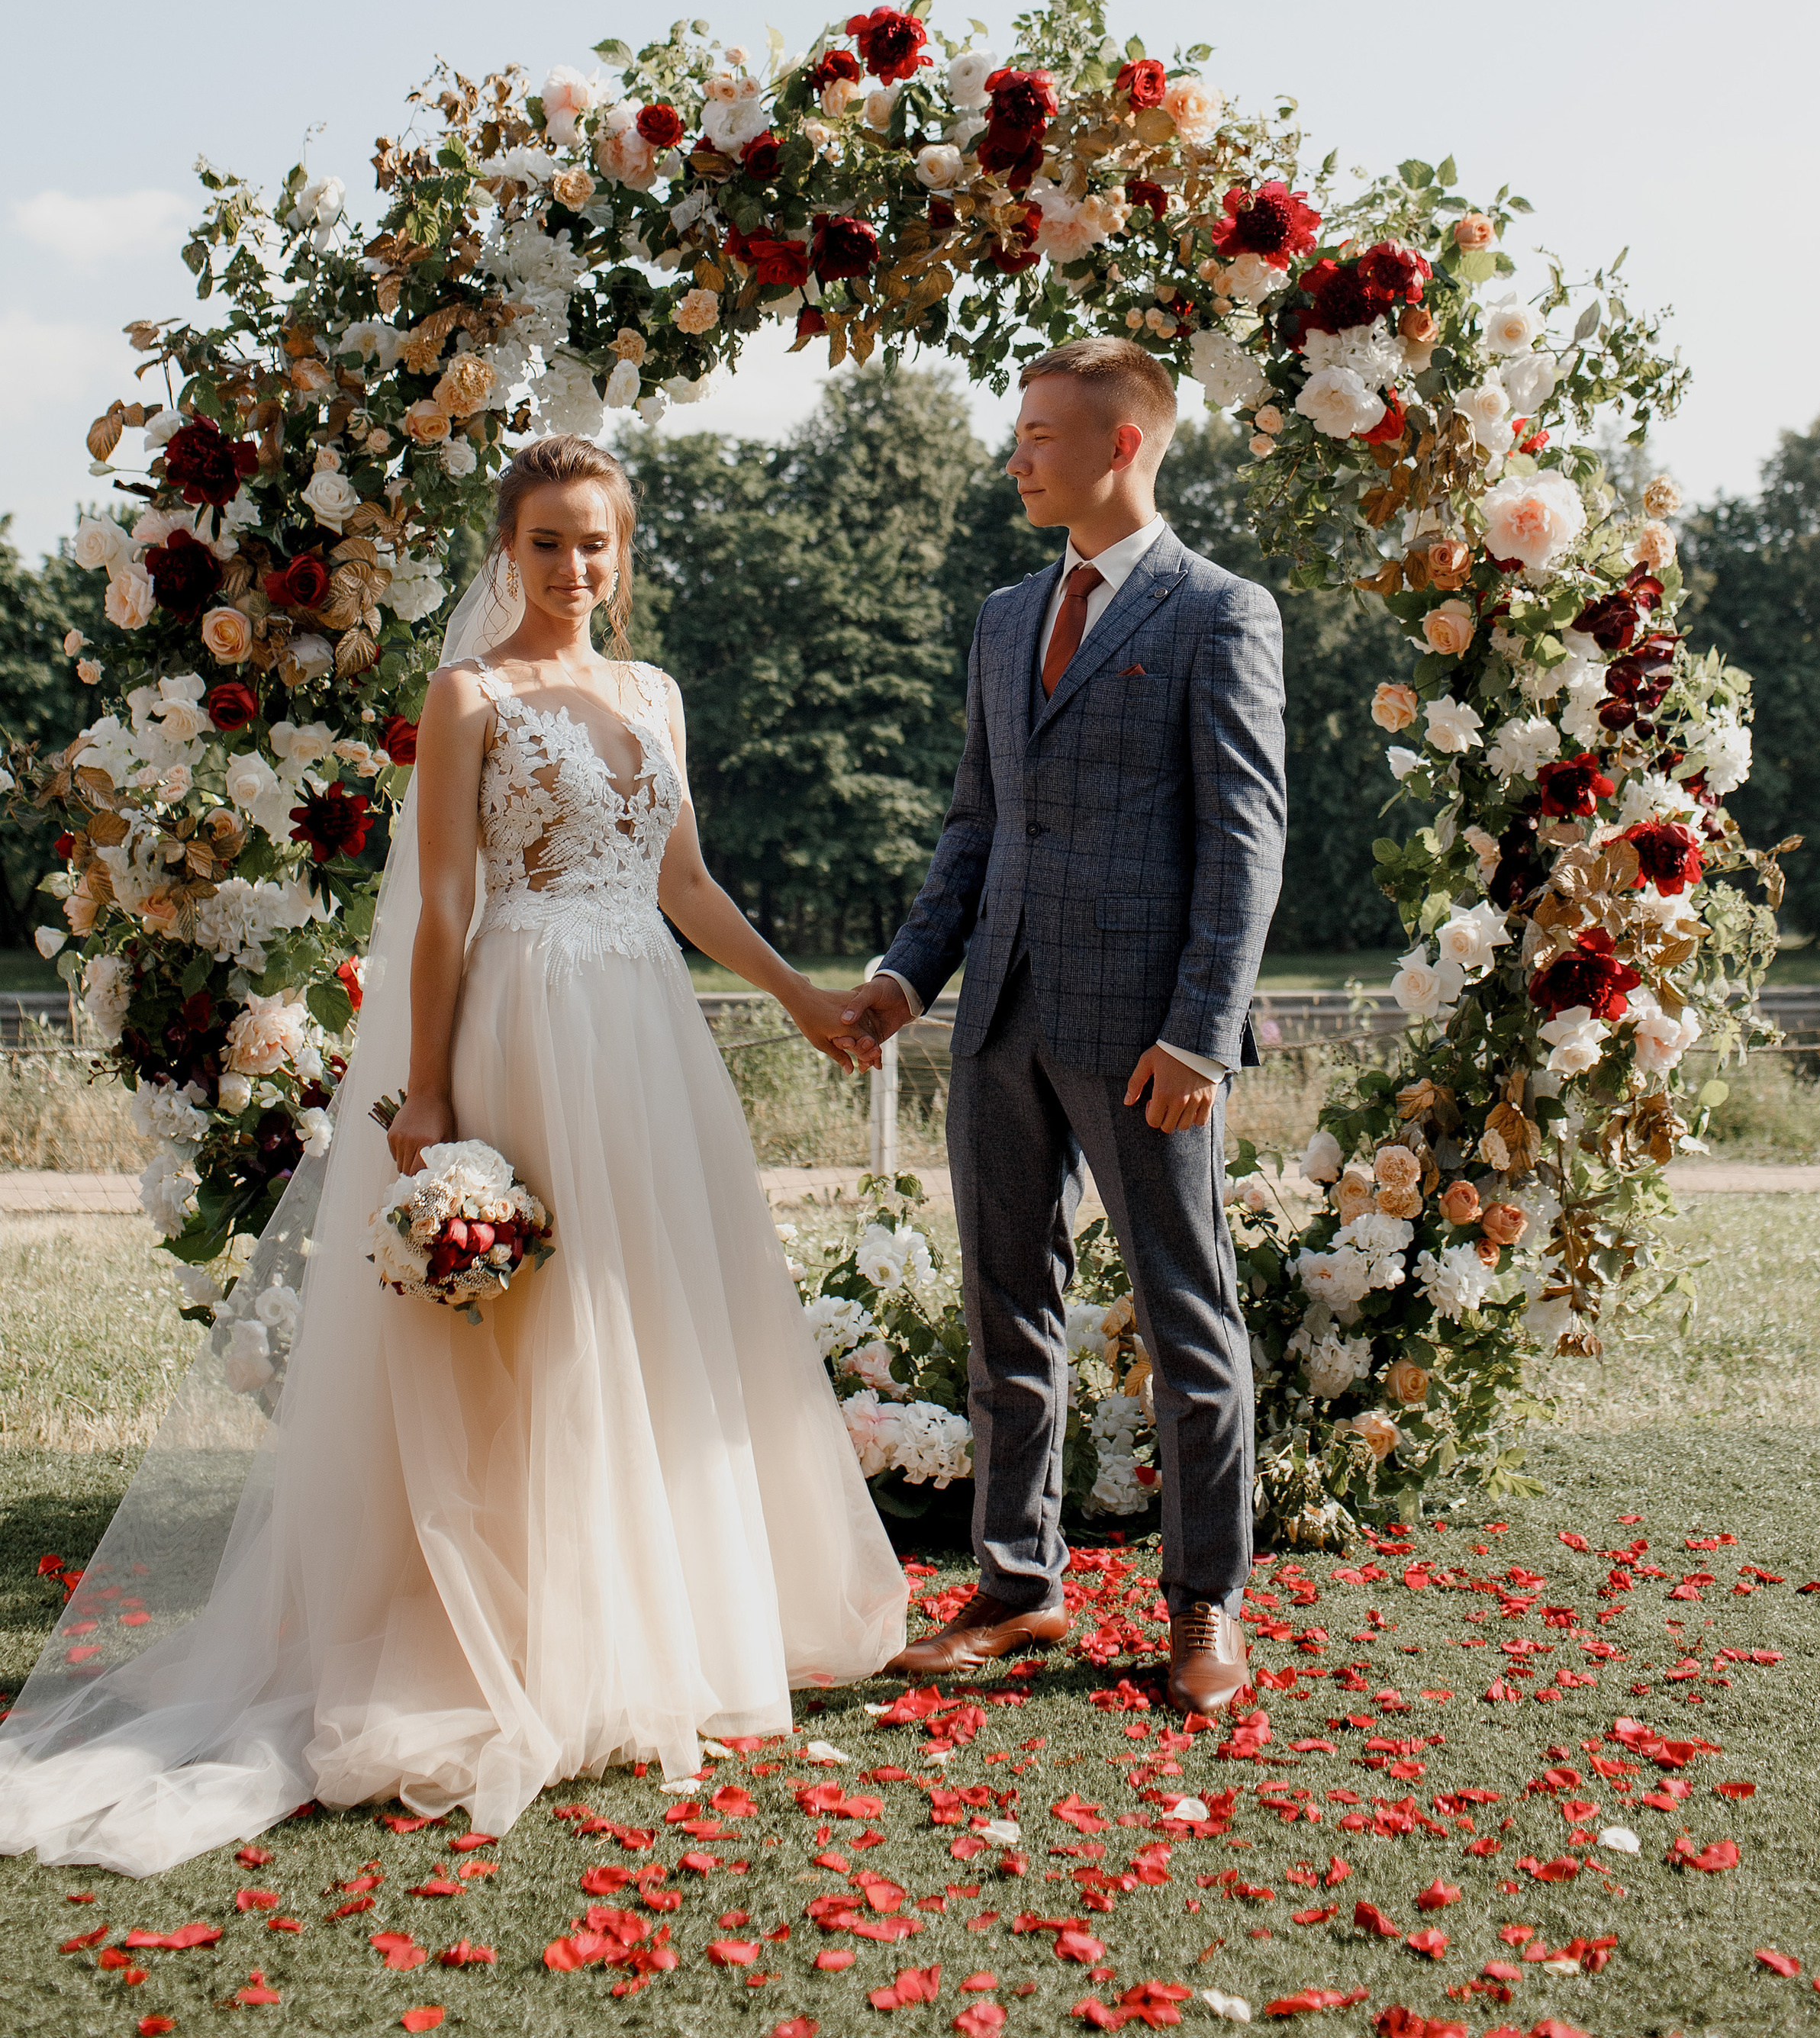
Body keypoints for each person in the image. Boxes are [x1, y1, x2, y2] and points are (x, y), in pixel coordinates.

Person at [0, 435, 905, 1875]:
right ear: (509, 549)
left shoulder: (652, 692)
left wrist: (799, 1000)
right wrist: (425, 1096)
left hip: (648, 1035)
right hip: (525, 1021)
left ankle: (648, 1618)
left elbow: (682, 880)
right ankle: (514, 1633)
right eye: (547, 542)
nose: (574, 568)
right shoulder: (467, 693)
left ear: (625, 551)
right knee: (534, 1328)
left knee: (656, 1318)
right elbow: (437, 908)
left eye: (596, 541)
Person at [838, 338, 1287, 1716]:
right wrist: (909, 979)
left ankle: (1204, 1599)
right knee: (1002, 1315)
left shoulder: (1222, 613)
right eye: (1018, 430)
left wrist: (1202, 1036)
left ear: (1124, 446)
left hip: (1150, 1040)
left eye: (1039, 433)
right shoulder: (1002, 616)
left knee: (1185, 1311)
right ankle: (1020, 1588)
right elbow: (975, 828)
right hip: (1002, 1029)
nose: (1016, 454)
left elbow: (1245, 841)